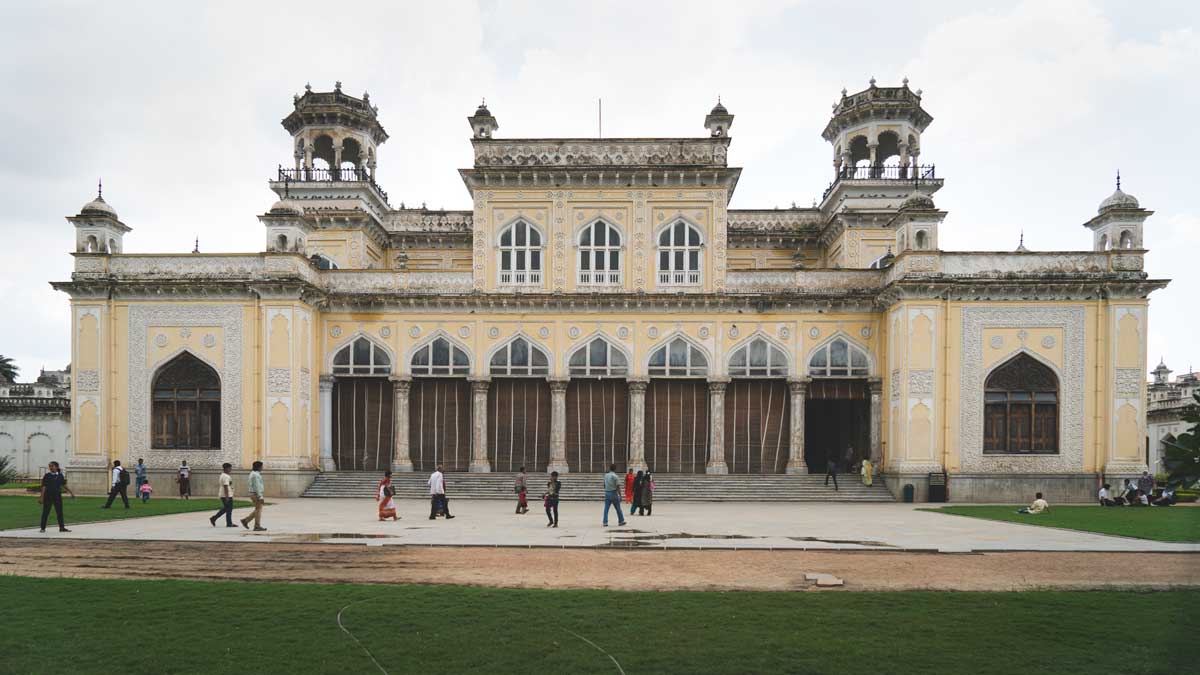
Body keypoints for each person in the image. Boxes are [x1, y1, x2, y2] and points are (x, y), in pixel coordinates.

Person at [38, 461, 74, 533]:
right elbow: (44, 487)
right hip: (48, 496)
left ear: (56, 467)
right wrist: (41, 497)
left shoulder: (60, 475)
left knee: (59, 512)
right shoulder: (47, 475)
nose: (50, 468)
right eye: (50, 466)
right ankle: (42, 528)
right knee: (46, 512)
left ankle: (62, 527)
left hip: (57, 496)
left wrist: (71, 492)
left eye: (52, 466)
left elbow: (64, 485)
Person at [240, 461, 266, 531]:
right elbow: (257, 486)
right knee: (258, 510)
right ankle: (256, 526)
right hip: (255, 494)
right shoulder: (255, 475)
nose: (262, 468)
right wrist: (260, 496)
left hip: (254, 493)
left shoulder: (253, 474)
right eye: (261, 466)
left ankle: (246, 520)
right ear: (258, 467)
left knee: (258, 509)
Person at [209, 463, 237, 527]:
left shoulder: (223, 475)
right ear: (226, 468)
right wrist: (227, 497)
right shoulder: (226, 476)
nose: (231, 469)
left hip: (224, 494)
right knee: (229, 509)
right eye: (230, 468)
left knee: (226, 509)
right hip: (226, 495)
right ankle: (229, 523)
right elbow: (225, 486)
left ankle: (214, 518)